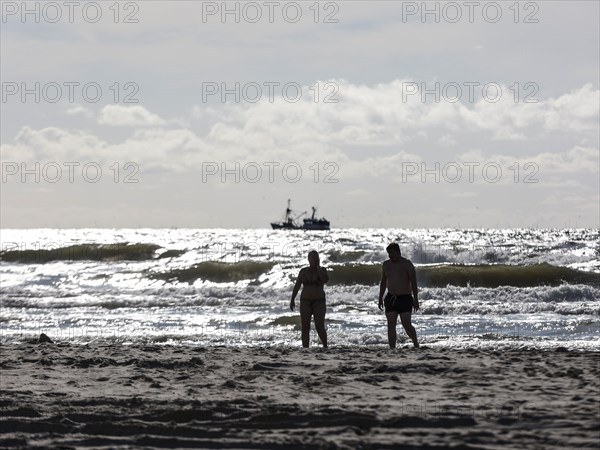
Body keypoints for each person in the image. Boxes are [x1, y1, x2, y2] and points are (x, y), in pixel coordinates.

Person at [378, 243, 420, 348]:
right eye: (389, 253)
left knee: (406, 323)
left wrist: (416, 299)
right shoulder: (386, 264)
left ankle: (415, 343)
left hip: (405, 298)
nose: (391, 256)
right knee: (391, 324)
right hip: (391, 298)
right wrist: (380, 298)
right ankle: (392, 348)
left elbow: (414, 283)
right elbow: (383, 282)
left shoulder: (407, 264)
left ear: (398, 252)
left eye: (392, 253)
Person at [290, 250, 328, 348]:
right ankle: (305, 348)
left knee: (319, 327)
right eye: (312, 257)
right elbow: (297, 285)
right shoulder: (303, 271)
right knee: (305, 327)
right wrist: (292, 299)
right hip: (305, 302)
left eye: (315, 257)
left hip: (319, 302)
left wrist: (318, 267)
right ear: (308, 259)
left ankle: (325, 346)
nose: (313, 259)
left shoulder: (322, 270)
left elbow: (325, 280)